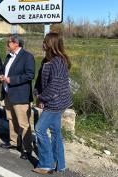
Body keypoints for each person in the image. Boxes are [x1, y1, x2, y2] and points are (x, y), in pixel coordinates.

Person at [32, 32, 72, 174]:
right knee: (55, 132)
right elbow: (39, 81)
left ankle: (46, 164)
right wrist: (37, 94)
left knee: (40, 129)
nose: (42, 44)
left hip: (56, 102)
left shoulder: (59, 61)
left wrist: (43, 99)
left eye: (45, 42)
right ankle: (59, 164)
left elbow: (54, 86)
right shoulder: (46, 60)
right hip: (51, 100)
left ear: (51, 44)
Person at [0, 34, 35, 160]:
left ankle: (27, 148)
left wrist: (11, 80)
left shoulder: (27, 57)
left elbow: (30, 75)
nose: (7, 44)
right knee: (11, 119)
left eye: (9, 42)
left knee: (23, 123)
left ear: (16, 44)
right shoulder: (9, 56)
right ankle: (14, 142)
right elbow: (6, 71)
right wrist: (2, 77)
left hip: (20, 95)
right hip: (8, 93)